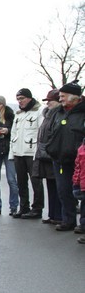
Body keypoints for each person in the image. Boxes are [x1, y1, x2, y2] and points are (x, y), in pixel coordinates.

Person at [44, 81, 85, 232]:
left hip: (80, 159)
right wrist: (50, 147)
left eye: (63, 96)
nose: (60, 99)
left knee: (82, 192)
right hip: (60, 158)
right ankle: (68, 220)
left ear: (74, 97)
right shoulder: (57, 112)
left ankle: (84, 224)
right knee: (63, 189)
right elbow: (49, 131)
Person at [9, 88, 44, 219]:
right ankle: (24, 207)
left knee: (36, 182)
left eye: (22, 98)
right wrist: (12, 153)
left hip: (32, 152)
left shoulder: (39, 111)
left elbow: (41, 132)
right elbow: (13, 133)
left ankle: (37, 208)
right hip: (19, 152)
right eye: (18, 99)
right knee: (21, 182)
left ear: (29, 98)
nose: (20, 101)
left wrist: (38, 152)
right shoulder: (18, 114)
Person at [32, 89, 62, 225]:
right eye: (47, 101)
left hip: (53, 155)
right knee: (51, 185)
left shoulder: (58, 115)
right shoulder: (48, 115)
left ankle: (59, 215)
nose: (48, 103)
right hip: (45, 155)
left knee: (58, 186)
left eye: (51, 100)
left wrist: (49, 149)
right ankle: (52, 214)